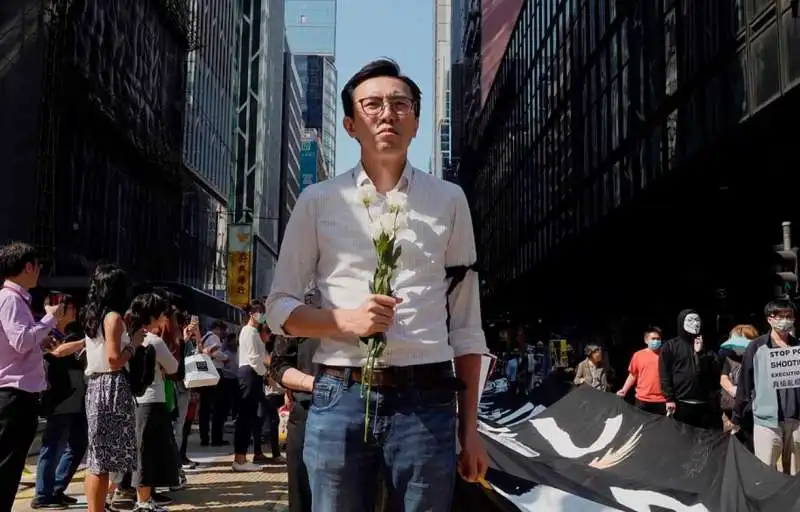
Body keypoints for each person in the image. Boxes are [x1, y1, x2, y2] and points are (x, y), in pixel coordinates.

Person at [266, 59, 488, 511]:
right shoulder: (317, 201)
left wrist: (470, 430)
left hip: (427, 400)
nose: (387, 113)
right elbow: (279, 307)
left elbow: (466, 325)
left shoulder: (449, 200)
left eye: (400, 103)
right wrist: (344, 321)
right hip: (339, 396)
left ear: (417, 121)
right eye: (372, 105)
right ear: (350, 124)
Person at [0, 242, 63, 511]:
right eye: (38, 266)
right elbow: (21, 340)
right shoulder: (11, 298)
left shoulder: (15, 299)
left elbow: (22, 343)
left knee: (10, 466)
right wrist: (49, 319)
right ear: (28, 266)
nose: (39, 272)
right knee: (6, 467)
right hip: (13, 396)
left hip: (18, 395)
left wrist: (41, 340)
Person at [82, 264, 142, 512]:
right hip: (111, 387)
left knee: (96, 458)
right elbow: (114, 359)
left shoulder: (92, 315)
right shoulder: (113, 318)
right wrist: (134, 345)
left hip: (96, 386)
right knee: (103, 460)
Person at [269, 289, 322, 512]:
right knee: (302, 496)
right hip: (307, 411)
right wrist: (313, 384)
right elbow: (279, 365)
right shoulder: (301, 305)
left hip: (362, 412)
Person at [34, 294, 88, 509]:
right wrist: (84, 343)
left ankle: (56, 488)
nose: (73, 310)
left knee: (78, 444)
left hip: (78, 397)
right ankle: (42, 495)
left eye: (74, 306)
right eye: (68, 306)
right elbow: (55, 353)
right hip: (59, 398)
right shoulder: (45, 333)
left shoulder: (74, 334)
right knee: (53, 446)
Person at [733, 300, 800, 474]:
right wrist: (738, 415)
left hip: (796, 422)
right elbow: (745, 384)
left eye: (789, 316)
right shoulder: (756, 347)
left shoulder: (798, 347)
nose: (785, 320)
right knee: (764, 471)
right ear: (770, 319)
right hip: (766, 421)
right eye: (780, 316)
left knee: (794, 473)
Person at [659, 309, 720, 429]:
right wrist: (669, 398)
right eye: (690, 320)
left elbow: (714, 372)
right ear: (682, 322)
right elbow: (664, 373)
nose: (695, 323)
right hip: (681, 402)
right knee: (681, 438)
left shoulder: (707, 345)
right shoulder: (671, 346)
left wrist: (701, 354)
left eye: (697, 320)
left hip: (704, 402)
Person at [233, 299, 271, 471]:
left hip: (250, 373)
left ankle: (241, 457)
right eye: (259, 312)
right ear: (251, 314)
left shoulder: (252, 331)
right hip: (250, 373)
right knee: (245, 417)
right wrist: (265, 373)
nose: (261, 315)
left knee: (248, 416)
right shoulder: (250, 332)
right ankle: (239, 459)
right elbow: (255, 359)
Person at [617, 327, 666, 414]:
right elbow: (633, 375)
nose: (656, 341)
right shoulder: (638, 355)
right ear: (646, 340)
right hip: (642, 399)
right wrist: (624, 390)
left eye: (658, 339)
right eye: (653, 339)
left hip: (662, 400)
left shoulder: (666, 355)